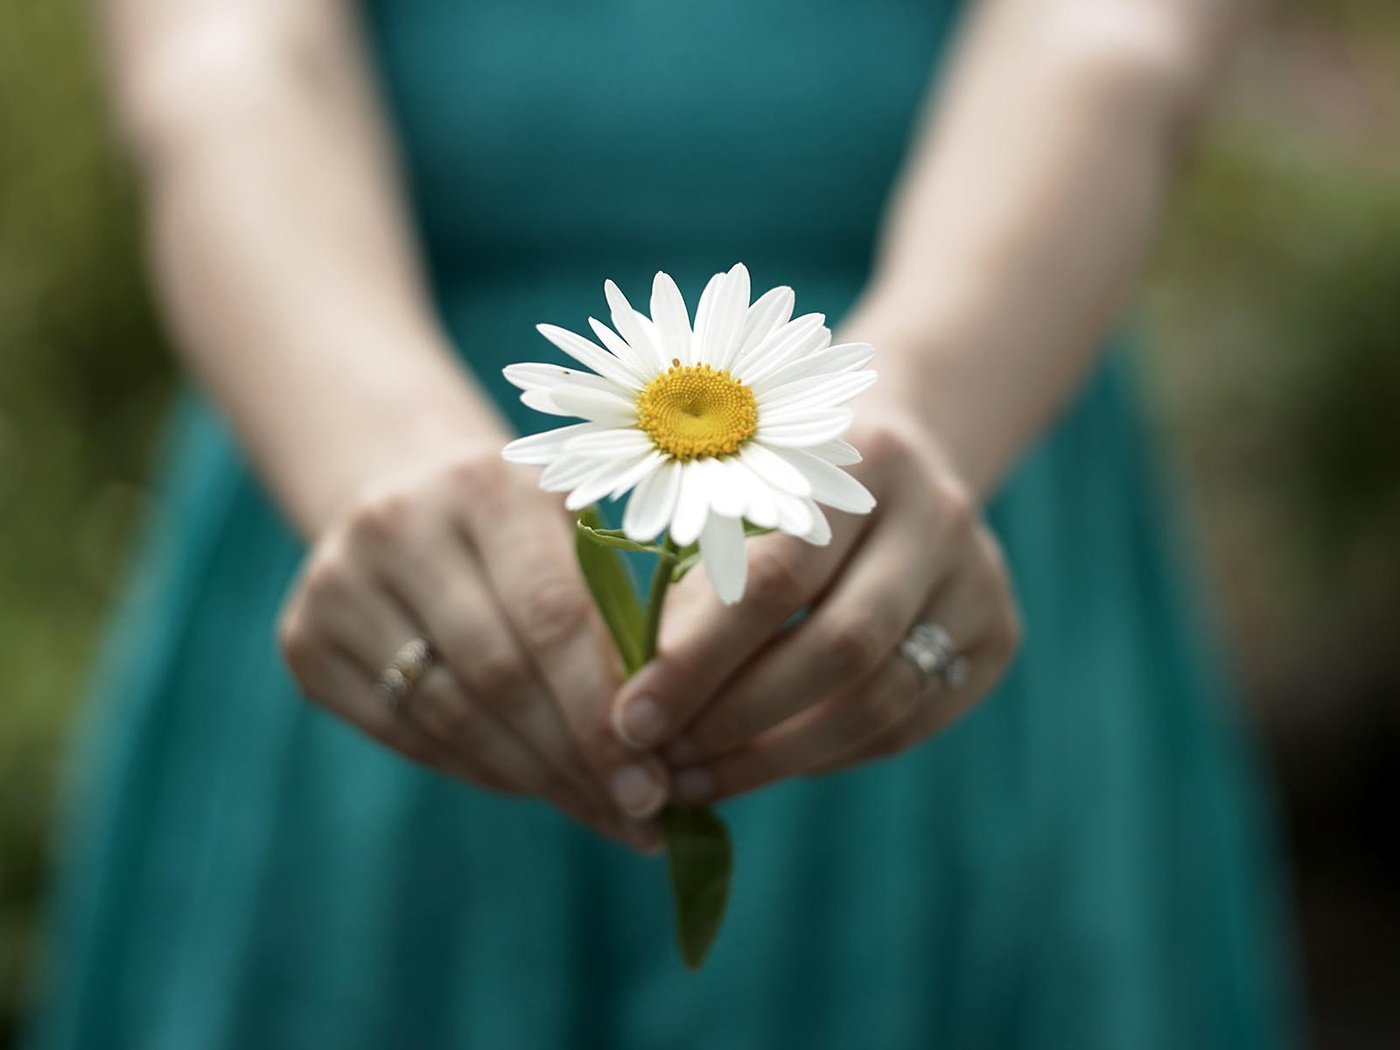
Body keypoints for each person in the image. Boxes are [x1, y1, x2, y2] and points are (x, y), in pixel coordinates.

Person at [24, 0, 1292, 1046]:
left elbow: (1107, 41)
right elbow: (225, 60)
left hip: (941, 458)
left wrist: (918, 398)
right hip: (360, 458)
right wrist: (377, 453)